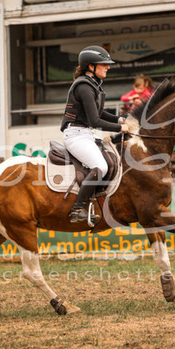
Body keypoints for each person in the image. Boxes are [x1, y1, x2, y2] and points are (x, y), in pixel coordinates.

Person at [61, 45, 129, 223]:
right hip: (76, 135)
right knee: (100, 167)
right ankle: (77, 209)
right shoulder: (84, 87)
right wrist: (120, 128)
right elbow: (95, 121)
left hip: (86, 134)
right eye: (104, 64)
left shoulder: (92, 85)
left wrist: (119, 119)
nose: (108, 67)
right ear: (91, 66)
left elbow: (99, 112)